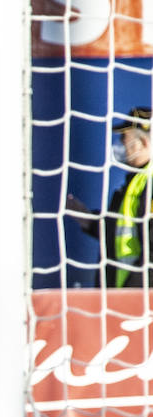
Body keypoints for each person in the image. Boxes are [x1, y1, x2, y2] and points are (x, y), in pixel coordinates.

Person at [67, 107, 153, 288]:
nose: (121, 145)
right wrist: (88, 220)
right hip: (121, 296)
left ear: (144, 142)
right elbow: (121, 233)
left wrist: (133, 288)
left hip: (140, 298)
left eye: (125, 139)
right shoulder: (134, 182)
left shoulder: (148, 181)